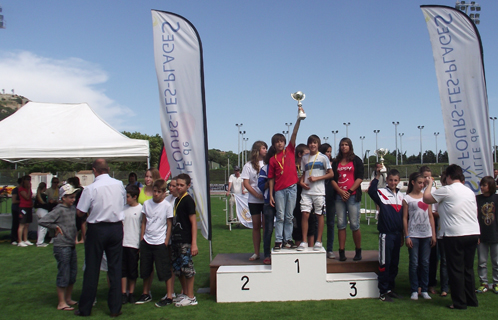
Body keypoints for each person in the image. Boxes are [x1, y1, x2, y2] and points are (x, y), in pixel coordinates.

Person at [423, 164, 480, 310]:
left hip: (455, 234)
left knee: (455, 269)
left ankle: (459, 302)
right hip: (473, 232)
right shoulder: (469, 191)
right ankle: (471, 299)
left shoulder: (447, 190)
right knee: (468, 268)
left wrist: (429, 184)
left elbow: (426, 199)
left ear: (449, 176)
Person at [75, 159, 126, 317]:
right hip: (116, 227)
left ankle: (85, 308)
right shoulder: (119, 184)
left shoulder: (91, 188)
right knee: (115, 268)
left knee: (92, 268)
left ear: (94, 170)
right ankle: (115, 308)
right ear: (108, 169)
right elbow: (122, 203)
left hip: (97, 228)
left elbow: (80, 212)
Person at [38, 183, 80, 311]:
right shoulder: (59, 209)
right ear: (63, 198)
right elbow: (43, 221)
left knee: (73, 272)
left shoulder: (72, 209)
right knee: (64, 273)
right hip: (62, 246)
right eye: (70, 197)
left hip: (70, 244)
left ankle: (68, 298)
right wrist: (55, 227)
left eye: (74, 197)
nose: (73, 199)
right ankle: (61, 302)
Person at [136, 179, 174, 307]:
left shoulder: (167, 206)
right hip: (147, 240)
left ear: (164, 193)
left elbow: (169, 224)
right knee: (146, 269)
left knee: (164, 269)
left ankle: (169, 295)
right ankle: (145, 293)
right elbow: (144, 222)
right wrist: (142, 238)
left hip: (160, 242)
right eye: (154, 191)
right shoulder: (146, 204)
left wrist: (166, 241)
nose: (156, 194)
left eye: (159, 192)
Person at [368, 169, 404, 302]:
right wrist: (377, 175)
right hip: (386, 234)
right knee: (385, 263)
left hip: (397, 234)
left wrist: (402, 234)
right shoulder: (382, 193)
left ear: (399, 181)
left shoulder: (401, 196)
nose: (393, 183)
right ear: (387, 180)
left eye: (395, 180)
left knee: (394, 263)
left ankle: (390, 289)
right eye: (390, 180)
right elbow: (371, 191)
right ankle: (382, 292)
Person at [268, 118, 302, 250]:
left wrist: (299, 119)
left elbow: (294, 133)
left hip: (292, 188)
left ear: (285, 142)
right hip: (279, 190)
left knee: (289, 216)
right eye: (277, 142)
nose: (280, 144)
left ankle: (288, 239)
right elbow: (271, 178)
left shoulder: (290, 151)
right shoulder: (272, 160)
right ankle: (278, 241)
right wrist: (271, 194)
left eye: (281, 141)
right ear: (274, 145)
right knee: (280, 215)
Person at [403, 172, 436, 300]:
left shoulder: (426, 198)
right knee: (414, 262)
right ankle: (414, 289)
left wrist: (433, 234)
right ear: (413, 183)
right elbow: (405, 218)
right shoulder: (407, 198)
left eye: (423, 183)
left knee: (425, 263)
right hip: (414, 235)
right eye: (419, 183)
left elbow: (430, 216)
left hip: (426, 234)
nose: (422, 185)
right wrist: (407, 236)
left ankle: (425, 289)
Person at [297, 135, 333, 251]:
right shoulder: (304, 158)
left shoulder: (323, 158)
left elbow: (331, 174)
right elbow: (304, 174)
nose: (313, 145)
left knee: (319, 214)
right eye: (311, 143)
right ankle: (304, 241)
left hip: (318, 191)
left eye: (315, 143)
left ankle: (318, 241)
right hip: (306, 191)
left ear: (318, 144)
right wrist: (301, 182)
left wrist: (317, 179)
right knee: (305, 214)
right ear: (308, 144)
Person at [331, 138, 364, 261]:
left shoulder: (356, 160)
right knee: (341, 224)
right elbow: (332, 179)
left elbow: (360, 177)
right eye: (341, 145)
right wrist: (340, 192)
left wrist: (349, 192)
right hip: (339, 196)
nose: (344, 147)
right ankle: (341, 251)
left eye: (346, 145)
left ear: (350, 146)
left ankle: (358, 250)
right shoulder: (336, 162)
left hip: (353, 196)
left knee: (354, 224)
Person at [171, 174, 198, 307]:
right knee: (178, 268)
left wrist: (193, 243)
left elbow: (193, 223)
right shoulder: (177, 200)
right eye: (177, 185)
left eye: (182, 185)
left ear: (188, 186)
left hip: (185, 240)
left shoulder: (188, 201)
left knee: (187, 268)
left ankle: (191, 297)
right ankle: (185, 293)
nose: (178, 187)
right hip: (176, 239)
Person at [241, 141, 268, 260]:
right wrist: (256, 195)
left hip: (266, 199)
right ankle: (256, 252)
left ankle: (267, 252)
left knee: (267, 226)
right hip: (254, 200)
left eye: (266, 148)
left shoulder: (268, 163)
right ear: (257, 150)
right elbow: (246, 183)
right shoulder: (248, 165)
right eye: (263, 148)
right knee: (256, 226)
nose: (266, 150)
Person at [475, 176, 498, 294]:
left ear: (490, 186)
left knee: (496, 261)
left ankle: (496, 282)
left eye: (484, 185)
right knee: (482, 261)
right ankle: (483, 282)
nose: (482, 187)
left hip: (495, 235)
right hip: (482, 236)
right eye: (481, 185)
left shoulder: (496, 198)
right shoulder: (477, 199)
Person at [121, 184, 143, 304]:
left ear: (135, 197)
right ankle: (123, 292)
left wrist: (140, 242)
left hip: (134, 244)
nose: (126, 198)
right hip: (123, 243)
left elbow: (142, 227)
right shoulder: (123, 209)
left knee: (132, 270)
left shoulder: (141, 209)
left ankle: (132, 293)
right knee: (123, 270)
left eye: (128, 196)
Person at [419, 166, 438, 294]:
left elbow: (437, 212)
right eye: (425, 176)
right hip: (418, 228)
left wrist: (430, 213)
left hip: (432, 226)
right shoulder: (416, 191)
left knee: (432, 258)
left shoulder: (435, 191)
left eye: (429, 176)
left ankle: (431, 283)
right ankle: (419, 284)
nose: (427, 179)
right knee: (419, 258)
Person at [292, 144, 312, 248]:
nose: (309, 156)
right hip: (295, 196)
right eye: (306, 154)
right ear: (299, 154)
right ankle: (298, 246)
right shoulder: (292, 166)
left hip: (308, 194)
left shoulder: (309, 166)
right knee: (297, 221)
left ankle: (311, 248)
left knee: (310, 221)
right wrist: (299, 182)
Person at [318, 143, 336, 259]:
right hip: (318, 194)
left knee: (330, 223)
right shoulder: (317, 163)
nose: (328, 154)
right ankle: (317, 245)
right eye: (326, 152)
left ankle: (329, 249)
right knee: (317, 222)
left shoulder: (334, 164)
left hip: (331, 195)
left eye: (330, 152)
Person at [259, 152, 275, 265]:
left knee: (284, 226)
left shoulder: (284, 166)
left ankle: (283, 251)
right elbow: (260, 186)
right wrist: (270, 180)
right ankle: (266, 254)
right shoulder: (265, 168)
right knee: (268, 229)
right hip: (268, 202)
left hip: (283, 201)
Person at [437, 172, 449, 297]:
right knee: (444, 261)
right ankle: (444, 287)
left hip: (457, 233)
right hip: (443, 232)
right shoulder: (440, 193)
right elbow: (433, 211)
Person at [67, 177, 85, 244]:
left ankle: (75, 238)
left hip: (76, 207)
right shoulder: (82, 189)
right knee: (83, 223)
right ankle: (83, 238)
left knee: (75, 223)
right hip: (83, 207)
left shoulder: (74, 190)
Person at [17, 175, 33, 247]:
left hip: (29, 207)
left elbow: (30, 196)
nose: (29, 181)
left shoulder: (28, 188)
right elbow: (26, 197)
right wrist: (29, 189)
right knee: (22, 224)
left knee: (27, 224)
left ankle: (25, 239)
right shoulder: (21, 189)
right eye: (27, 180)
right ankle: (20, 241)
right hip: (23, 207)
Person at [34, 182, 50, 247]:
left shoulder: (37, 195)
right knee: (43, 227)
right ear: (44, 188)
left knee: (40, 227)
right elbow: (46, 204)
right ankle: (40, 242)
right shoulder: (44, 195)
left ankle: (39, 241)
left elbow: (35, 205)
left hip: (38, 211)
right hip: (43, 211)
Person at [10, 178, 22, 245]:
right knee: (15, 223)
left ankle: (19, 237)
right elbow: (14, 201)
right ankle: (13, 239)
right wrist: (22, 201)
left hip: (21, 208)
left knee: (21, 223)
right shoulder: (15, 190)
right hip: (16, 209)